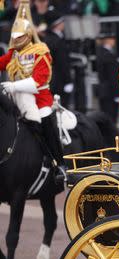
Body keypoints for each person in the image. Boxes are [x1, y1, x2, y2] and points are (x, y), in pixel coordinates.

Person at [0, 0, 65, 176]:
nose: (15, 40)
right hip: (18, 98)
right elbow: (1, 63)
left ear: (28, 35)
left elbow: (37, 81)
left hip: (40, 98)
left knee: (46, 124)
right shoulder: (14, 53)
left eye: (19, 37)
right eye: (14, 37)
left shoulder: (41, 51)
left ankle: (57, 162)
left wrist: (12, 85)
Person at [42, 10, 72, 108]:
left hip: (52, 80)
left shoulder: (48, 38)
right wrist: (68, 81)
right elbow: (62, 63)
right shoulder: (57, 41)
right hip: (59, 81)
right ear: (57, 24)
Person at [95, 31, 119, 123]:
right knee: (110, 118)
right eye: (112, 39)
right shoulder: (108, 55)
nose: (114, 41)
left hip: (105, 91)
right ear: (108, 40)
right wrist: (117, 93)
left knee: (107, 117)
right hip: (110, 92)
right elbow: (112, 76)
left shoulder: (102, 52)